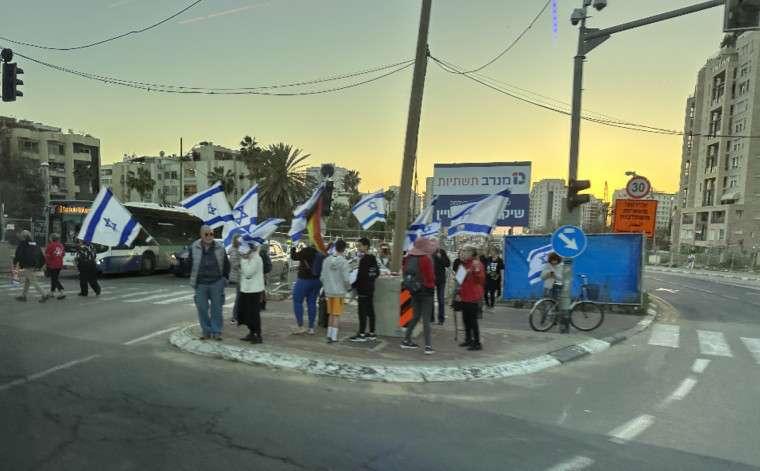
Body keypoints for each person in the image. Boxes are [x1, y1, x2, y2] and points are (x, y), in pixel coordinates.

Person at [188, 225, 230, 341]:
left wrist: (225, 279)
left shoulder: (220, 247)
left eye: (211, 234)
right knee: (202, 308)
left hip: (216, 282)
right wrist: (175, 263)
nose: (209, 236)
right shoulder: (194, 246)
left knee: (217, 308)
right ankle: (206, 331)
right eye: (206, 234)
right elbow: (189, 263)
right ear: (201, 235)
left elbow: (226, 264)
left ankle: (216, 331)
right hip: (200, 283)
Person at [400, 237, 437, 355]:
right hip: (427, 291)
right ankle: (428, 346)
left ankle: (406, 339)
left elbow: (405, 272)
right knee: (426, 318)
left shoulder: (409, 257)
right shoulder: (426, 259)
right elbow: (430, 277)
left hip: (414, 290)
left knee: (415, 316)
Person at [320, 239, 351, 343]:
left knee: (330, 314)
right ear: (344, 249)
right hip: (339, 292)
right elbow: (346, 279)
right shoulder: (344, 262)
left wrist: (327, 286)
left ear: (335, 247)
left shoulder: (326, 260)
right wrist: (348, 288)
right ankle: (334, 337)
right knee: (336, 315)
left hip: (329, 292)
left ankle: (329, 334)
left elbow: (322, 277)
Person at [350, 237, 379, 342]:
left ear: (366, 246)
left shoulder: (364, 260)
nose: (358, 248)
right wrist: (370, 280)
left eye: (360, 246)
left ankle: (361, 334)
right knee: (370, 311)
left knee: (362, 312)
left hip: (362, 289)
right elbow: (376, 273)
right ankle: (372, 333)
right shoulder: (373, 258)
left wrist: (353, 286)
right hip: (371, 288)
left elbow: (360, 276)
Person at [456, 246, 486, 350]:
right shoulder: (463, 264)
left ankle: (477, 342)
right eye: (462, 251)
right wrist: (457, 293)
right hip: (465, 296)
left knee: (473, 320)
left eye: (464, 251)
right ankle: (468, 339)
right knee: (466, 319)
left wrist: (475, 271)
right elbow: (459, 280)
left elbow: (481, 280)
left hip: (473, 296)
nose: (462, 253)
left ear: (471, 253)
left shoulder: (476, 264)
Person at [291, 242, 323, 335]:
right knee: (312, 303)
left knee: (297, 300)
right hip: (317, 281)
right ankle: (311, 328)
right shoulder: (319, 253)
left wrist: (293, 246)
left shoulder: (306, 251)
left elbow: (294, 256)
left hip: (304, 280)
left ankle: (300, 326)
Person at [238, 243, 265, 344]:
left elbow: (248, 272)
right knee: (247, 313)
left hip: (254, 290)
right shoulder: (250, 257)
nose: (243, 253)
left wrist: (244, 260)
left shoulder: (256, 258)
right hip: (246, 289)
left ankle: (258, 335)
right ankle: (251, 332)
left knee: (254, 314)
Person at [13, 230, 48, 303]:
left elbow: (19, 254)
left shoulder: (23, 243)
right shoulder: (35, 243)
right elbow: (40, 253)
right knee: (28, 280)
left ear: (23, 236)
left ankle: (44, 294)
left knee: (33, 280)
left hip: (28, 264)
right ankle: (23, 295)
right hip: (35, 263)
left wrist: (15, 262)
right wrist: (41, 264)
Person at [431, 244, 451, 325]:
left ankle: (441, 319)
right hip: (431, 279)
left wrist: (440, 257)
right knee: (431, 300)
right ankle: (431, 318)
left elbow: (448, 264)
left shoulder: (442, 252)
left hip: (441, 280)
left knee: (441, 300)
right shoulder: (429, 252)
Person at [45, 233, 66, 300]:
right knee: (54, 278)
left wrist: (46, 264)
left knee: (54, 279)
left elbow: (47, 256)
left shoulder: (50, 246)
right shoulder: (61, 245)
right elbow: (63, 254)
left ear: (51, 239)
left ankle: (62, 291)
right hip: (59, 264)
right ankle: (52, 292)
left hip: (52, 264)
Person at [228, 234, 242, 325]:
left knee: (241, 297)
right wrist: (244, 262)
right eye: (239, 240)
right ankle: (235, 316)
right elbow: (234, 264)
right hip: (238, 277)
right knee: (239, 297)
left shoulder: (239, 249)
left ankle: (239, 315)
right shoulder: (234, 250)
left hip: (241, 276)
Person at [259, 242, 273, 311]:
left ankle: (261, 304)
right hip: (264, 274)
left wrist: (263, 273)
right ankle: (263, 304)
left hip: (261, 274)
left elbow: (263, 265)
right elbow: (269, 265)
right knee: (263, 290)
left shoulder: (261, 254)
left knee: (260, 290)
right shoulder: (265, 254)